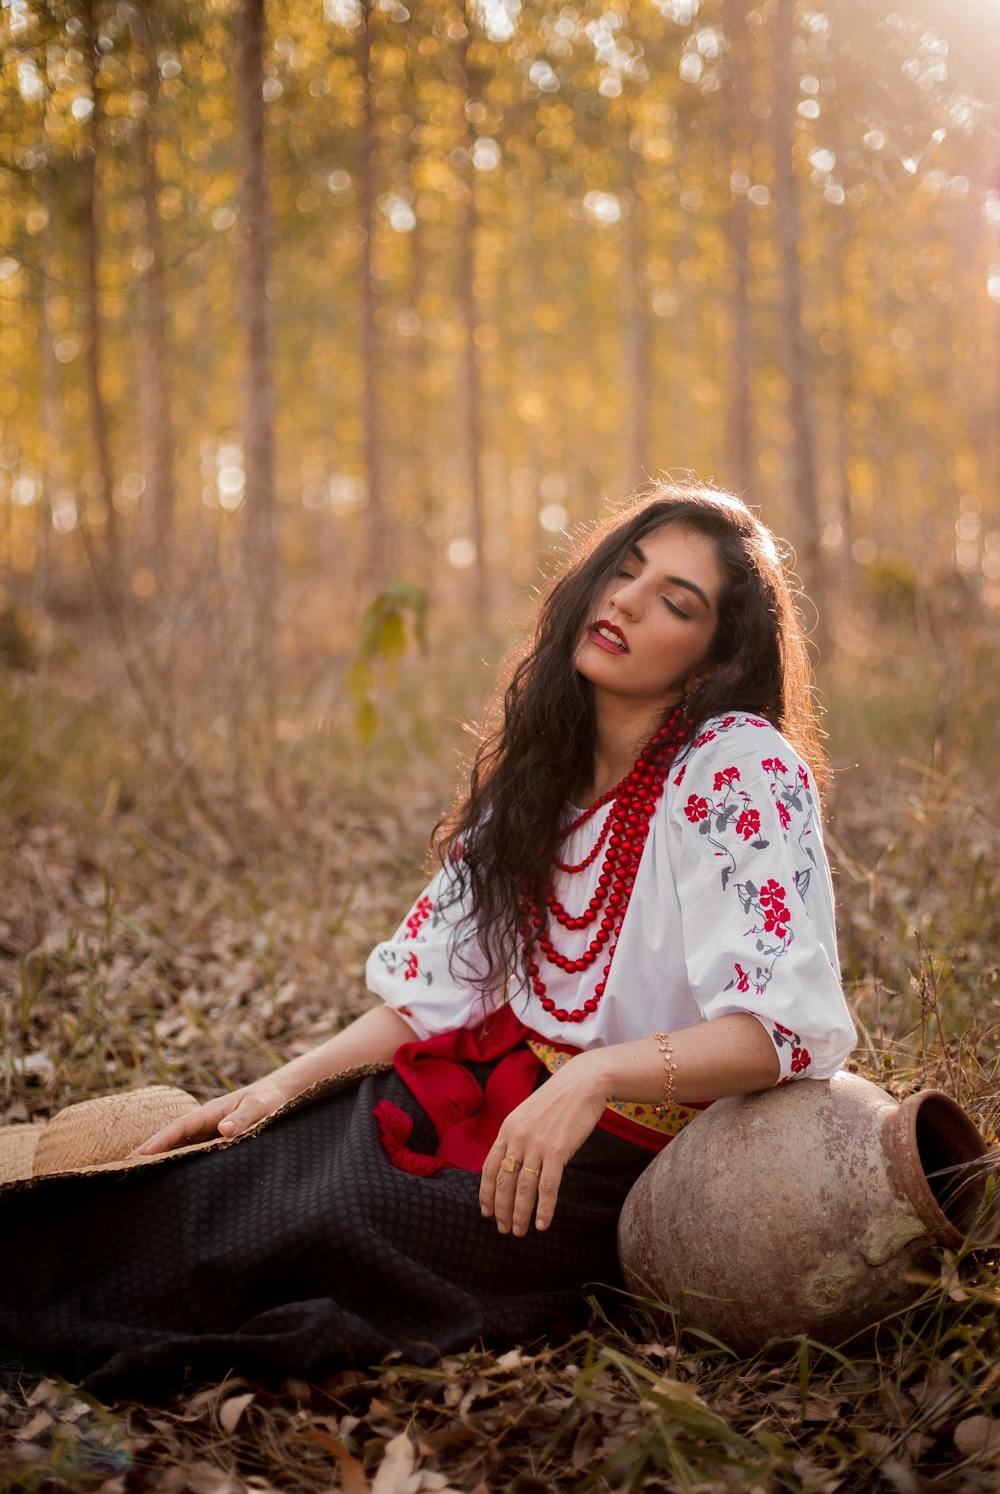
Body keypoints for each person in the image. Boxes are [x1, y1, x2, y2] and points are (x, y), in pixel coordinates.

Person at [0, 483, 854, 1396]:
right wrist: (279, 1085)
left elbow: (783, 1030)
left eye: (677, 602)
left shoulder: (735, 765)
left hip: (623, 1159)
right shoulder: (542, 778)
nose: (629, 601)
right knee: (265, 1158)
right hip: (492, 1090)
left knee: (339, 1215)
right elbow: (429, 996)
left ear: (713, 662)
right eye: (625, 569)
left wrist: (598, 1074)